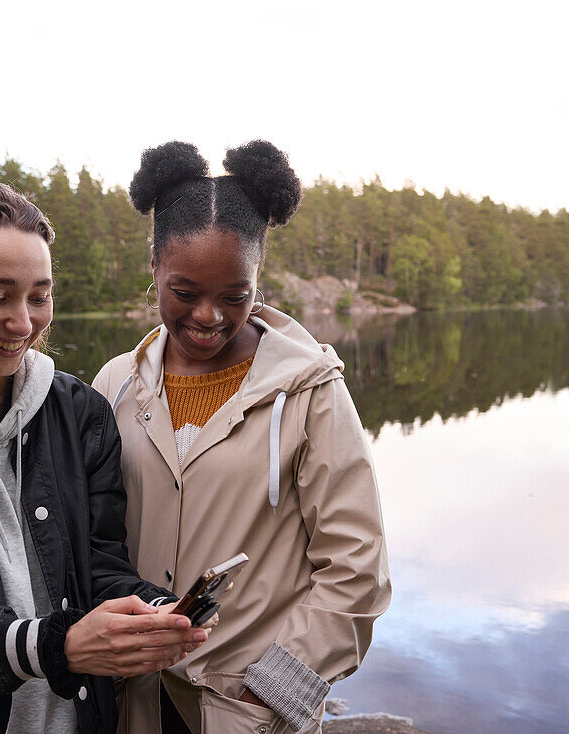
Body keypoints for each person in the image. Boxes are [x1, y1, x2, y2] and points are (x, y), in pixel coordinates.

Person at [0, 182, 212, 734]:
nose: (24, 323)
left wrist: (154, 611)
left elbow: (100, 565)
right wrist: (59, 646)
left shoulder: (82, 414)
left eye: (39, 295)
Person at [92, 141, 391, 734]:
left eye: (235, 295)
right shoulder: (115, 385)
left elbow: (357, 568)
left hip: (244, 712)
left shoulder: (311, 392)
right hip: (132, 704)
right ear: (153, 267)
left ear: (259, 278)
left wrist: (273, 694)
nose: (209, 316)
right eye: (185, 292)